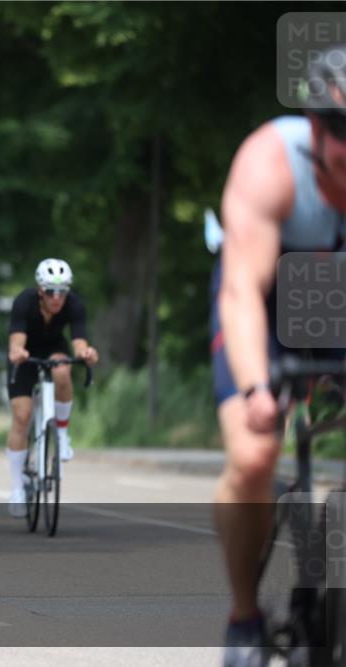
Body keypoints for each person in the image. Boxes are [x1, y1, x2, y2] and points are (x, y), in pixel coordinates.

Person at [212, 47, 346, 666]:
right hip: (262, 303)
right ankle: (245, 616)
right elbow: (241, 292)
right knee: (255, 450)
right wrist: (256, 389)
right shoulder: (271, 162)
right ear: (316, 128)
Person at [5, 259, 98, 518]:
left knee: (63, 371)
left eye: (62, 292)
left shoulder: (75, 305)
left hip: (54, 347)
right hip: (24, 355)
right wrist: (17, 352)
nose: (57, 298)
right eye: (50, 292)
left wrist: (86, 352)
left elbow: (79, 342)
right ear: (39, 290)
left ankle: (63, 433)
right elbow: (16, 340)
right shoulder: (24, 302)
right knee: (22, 416)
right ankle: (16, 489)